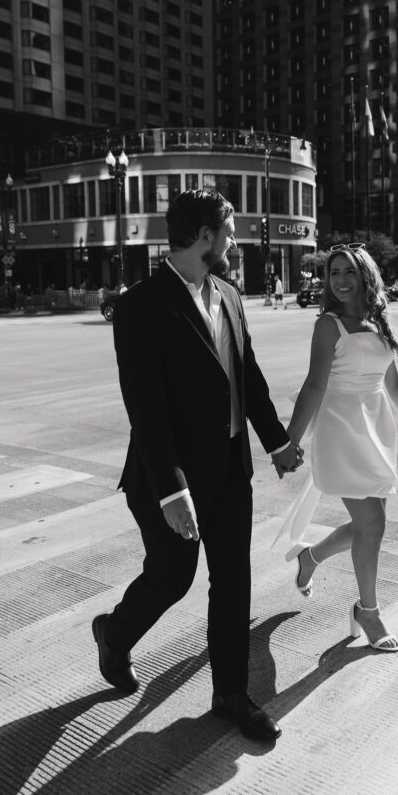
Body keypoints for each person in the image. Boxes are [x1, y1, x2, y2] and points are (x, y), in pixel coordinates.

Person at [92, 189, 302, 741]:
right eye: (228, 232)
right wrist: (171, 490)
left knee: (233, 582)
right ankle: (114, 633)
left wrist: (276, 442)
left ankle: (231, 693)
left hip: (231, 471)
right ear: (204, 237)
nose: (233, 242)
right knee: (172, 577)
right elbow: (146, 407)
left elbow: (247, 376)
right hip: (172, 480)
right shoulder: (140, 305)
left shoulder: (229, 295)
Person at [274, 243, 398, 652]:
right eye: (333, 273)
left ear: (365, 277)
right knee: (373, 524)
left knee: (368, 523)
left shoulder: (379, 322)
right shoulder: (329, 325)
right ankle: (369, 611)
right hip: (341, 430)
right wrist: (287, 442)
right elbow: (314, 384)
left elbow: (394, 384)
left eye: (348, 272)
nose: (340, 280)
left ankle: (310, 557)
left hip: (376, 432)